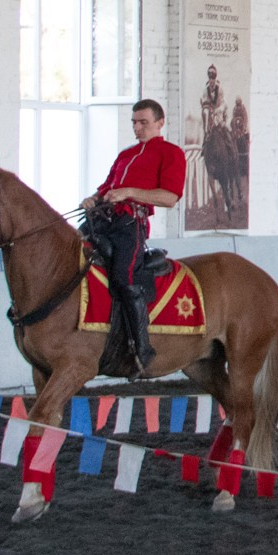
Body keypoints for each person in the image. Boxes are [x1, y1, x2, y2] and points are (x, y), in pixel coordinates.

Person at [80, 100, 185, 376]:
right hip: (102, 221)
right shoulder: (126, 154)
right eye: (134, 123)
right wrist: (93, 198)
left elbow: (170, 197)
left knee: (124, 278)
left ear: (160, 122)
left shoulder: (171, 153)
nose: (137, 128)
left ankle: (141, 349)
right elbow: (106, 187)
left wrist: (129, 192)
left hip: (131, 226)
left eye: (144, 123)